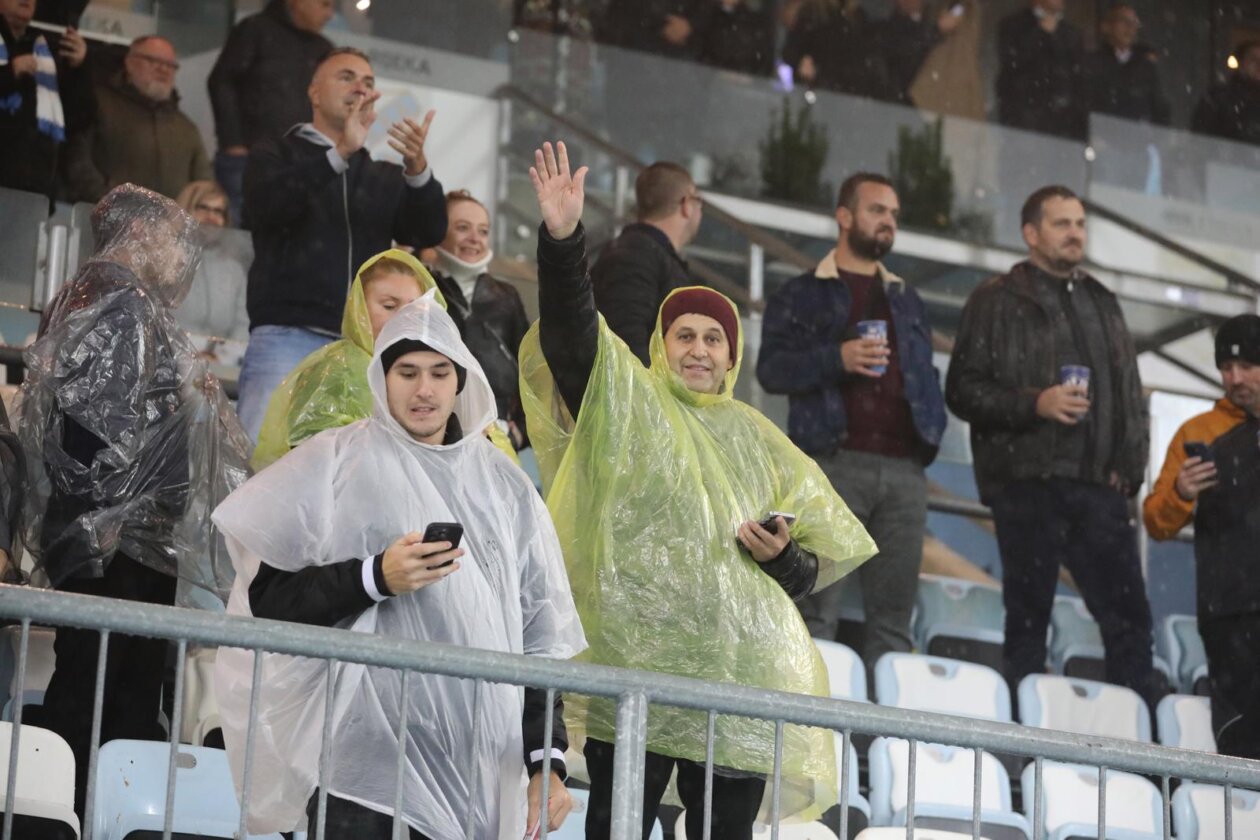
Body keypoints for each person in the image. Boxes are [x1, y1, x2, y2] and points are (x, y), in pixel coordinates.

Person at [521, 141, 875, 840]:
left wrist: (780, 556)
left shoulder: (760, 439)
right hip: (640, 669)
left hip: (735, 682)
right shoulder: (629, 403)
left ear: (732, 355)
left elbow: (805, 572)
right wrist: (564, 240)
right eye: (684, 334)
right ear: (660, 342)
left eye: (715, 338)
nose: (699, 349)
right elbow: (571, 337)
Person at [213, 294, 586, 838]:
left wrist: (546, 764)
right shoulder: (336, 462)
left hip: (472, 763)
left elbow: (539, 643)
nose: (424, 389)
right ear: (382, 377)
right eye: (407, 371)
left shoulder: (505, 489)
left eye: (439, 372)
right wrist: (375, 577)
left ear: (461, 381)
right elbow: (271, 598)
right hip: (357, 763)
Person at [18, 184, 252, 817]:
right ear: (144, 235)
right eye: (178, 241)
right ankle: (72, 816)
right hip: (118, 539)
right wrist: (118, 519)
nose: (183, 261)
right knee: (104, 685)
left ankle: (84, 814)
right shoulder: (119, 301)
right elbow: (99, 428)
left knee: (108, 682)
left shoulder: (97, 295)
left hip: (112, 533)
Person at [945, 185, 1153, 704]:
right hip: (1026, 486)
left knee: (1131, 622)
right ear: (1030, 234)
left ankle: (1138, 760)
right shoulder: (993, 299)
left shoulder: (1103, 302)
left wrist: (1129, 470)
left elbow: (1130, 394)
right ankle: (1020, 751)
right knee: (1028, 621)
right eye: (1062, 223)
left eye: (1080, 223)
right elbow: (962, 389)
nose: (1075, 233)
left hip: (1098, 490)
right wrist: (1034, 403)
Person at [757, 173, 946, 674]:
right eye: (877, 210)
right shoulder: (803, 292)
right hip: (831, 464)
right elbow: (771, 369)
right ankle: (806, 739)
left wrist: (932, 432)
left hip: (905, 472)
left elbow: (925, 376)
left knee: (893, 622)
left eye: (894, 215)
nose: (888, 222)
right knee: (815, 612)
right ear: (844, 216)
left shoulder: (907, 299)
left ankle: (882, 746)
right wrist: (836, 357)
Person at [235, 46, 448, 443]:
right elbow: (266, 207)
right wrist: (339, 154)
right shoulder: (277, 152)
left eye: (368, 82)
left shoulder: (381, 173)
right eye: (346, 77)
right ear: (314, 93)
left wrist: (417, 169)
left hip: (362, 348)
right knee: (261, 462)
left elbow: (428, 231)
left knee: (350, 474)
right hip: (287, 335)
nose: (360, 88)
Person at [1143, 314, 1260, 759]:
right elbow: (1156, 520)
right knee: (1239, 742)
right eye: (1227, 369)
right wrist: (1181, 491)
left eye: (1249, 366)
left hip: (1230, 608)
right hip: (1228, 613)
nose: (1235, 379)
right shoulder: (1198, 433)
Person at [251, 249, 444, 470]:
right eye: (389, 306)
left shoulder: (436, 370)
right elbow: (310, 462)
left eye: (414, 307)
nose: (404, 317)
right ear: (358, 308)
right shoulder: (335, 370)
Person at [207, 0, 333, 221]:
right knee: (237, 231)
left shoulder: (324, 49)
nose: (330, 14)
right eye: (325, 4)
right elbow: (222, 81)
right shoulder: (255, 29)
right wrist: (232, 142)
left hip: (299, 164)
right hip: (247, 158)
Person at [430, 190, 531, 448]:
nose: (475, 239)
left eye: (483, 231)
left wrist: (519, 432)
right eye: (463, 228)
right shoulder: (422, 288)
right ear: (439, 230)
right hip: (433, 434)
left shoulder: (506, 296)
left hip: (497, 439)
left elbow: (531, 371)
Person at [73, 35, 212, 201]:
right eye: (153, 61)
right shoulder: (97, 104)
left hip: (167, 225)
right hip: (102, 219)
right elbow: (77, 161)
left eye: (170, 65)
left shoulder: (186, 129)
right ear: (129, 63)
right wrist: (111, 204)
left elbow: (205, 190)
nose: (163, 69)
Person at [590, 161, 700, 365]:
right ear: (686, 204)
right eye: (698, 201)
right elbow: (625, 340)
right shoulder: (636, 255)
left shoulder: (642, 253)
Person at [0, 0, 90, 198]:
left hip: (34, 187)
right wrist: (9, 73)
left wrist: (78, 69)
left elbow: (80, 118)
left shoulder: (42, 47)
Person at [173, 180, 251, 355]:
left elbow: (243, 326)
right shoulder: (165, 261)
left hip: (219, 369)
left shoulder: (234, 269)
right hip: (168, 365)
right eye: (203, 208)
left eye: (218, 211)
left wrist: (222, 356)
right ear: (185, 210)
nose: (211, 217)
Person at [995, 0, 1087, 140]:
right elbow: (1012, 64)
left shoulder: (1071, 32)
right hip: (1024, 123)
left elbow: (1078, 78)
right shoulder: (1012, 25)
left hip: (1063, 126)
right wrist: (1041, 33)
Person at [782, 0, 891, 99]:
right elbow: (791, 51)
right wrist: (802, 63)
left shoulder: (858, 17)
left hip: (846, 94)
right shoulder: (814, 11)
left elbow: (863, 58)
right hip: (817, 92)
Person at [1085, 4, 1170, 125]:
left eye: (1134, 23)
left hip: (1137, 139)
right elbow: (1085, 104)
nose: (1130, 27)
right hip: (1104, 137)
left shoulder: (1145, 66)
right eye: (1123, 21)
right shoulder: (1093, 62)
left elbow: (1160, 108)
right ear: (1107, 26)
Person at [879, 0, 963, 105]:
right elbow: (910, 52)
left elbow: (959, 10)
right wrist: (938, 30)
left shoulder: (931, 14)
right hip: (905, 103)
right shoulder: (892, 28)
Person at [1191, 40, 1260, 146]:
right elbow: (1201, 138)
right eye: (1253, 59)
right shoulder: (1218, 97)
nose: (1258, 64)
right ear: (1241, 64)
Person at [691, 0, 774, 77]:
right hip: (708, 84)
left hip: (746, 88)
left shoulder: (758, 22)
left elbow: (765, 62)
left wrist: (745, 75)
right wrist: (717, 73)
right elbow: (694, 55)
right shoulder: (702, 17)